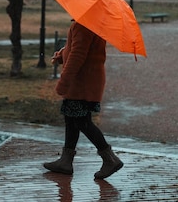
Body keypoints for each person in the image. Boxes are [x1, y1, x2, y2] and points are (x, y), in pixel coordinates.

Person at [43, 20, 124, 179]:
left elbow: (78, 55)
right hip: (86, 80)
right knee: (72, 119)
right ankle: (66, 161)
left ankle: (110, 159)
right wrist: (61, 55)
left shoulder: (83, 24)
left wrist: (64, 81)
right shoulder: (92, 23)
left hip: (81, 82)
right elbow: (77, 49)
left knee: (81, 121)